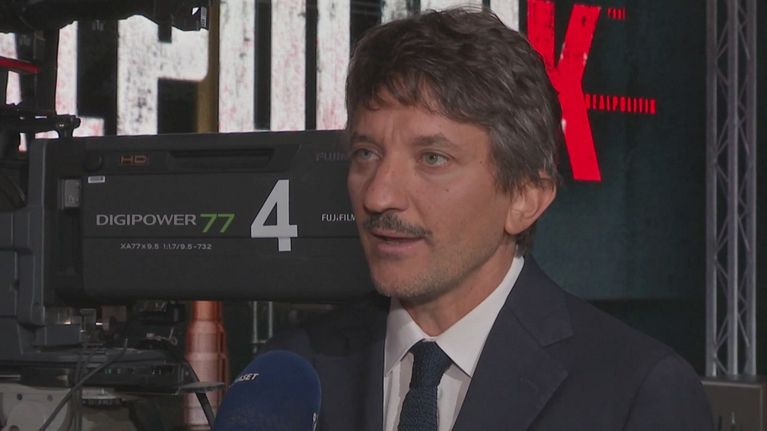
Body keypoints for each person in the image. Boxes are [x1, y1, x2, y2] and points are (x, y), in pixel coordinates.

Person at [265, 7, 713, 431]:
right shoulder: (293, 369)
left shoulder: (637, 393)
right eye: (366, 153)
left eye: (432, 158)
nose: (379, 195)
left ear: (525, 198)